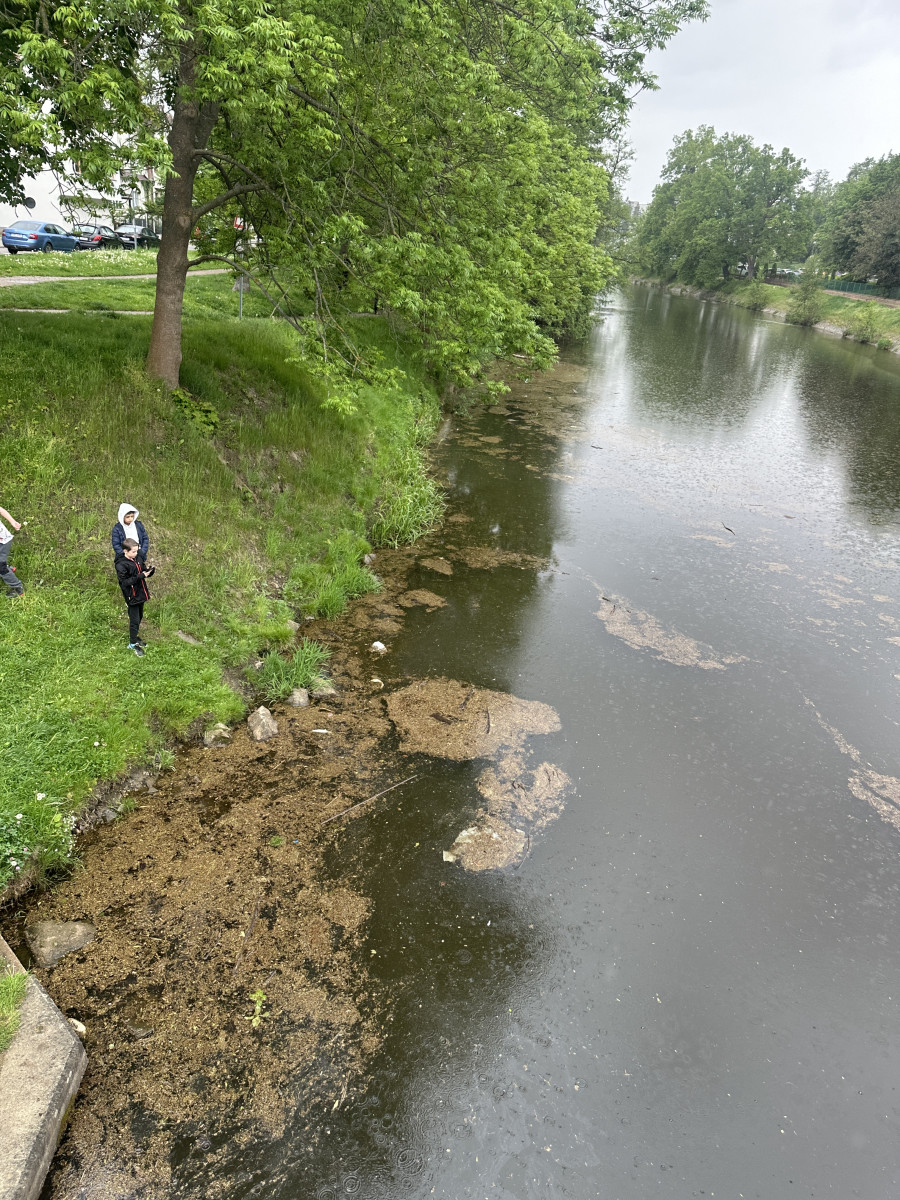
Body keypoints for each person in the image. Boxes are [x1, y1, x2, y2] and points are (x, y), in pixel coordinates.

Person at [115, 539, 150, 656]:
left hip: (141, 592)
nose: (137, 553)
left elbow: (142, 568)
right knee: (134, 620)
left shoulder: (138, 558)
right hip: (132, 595)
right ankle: (132, 644)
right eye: (134, 552)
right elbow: (125, 582)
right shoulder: (121, 564)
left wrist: (148, 572)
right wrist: (141, 576)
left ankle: (134, 636)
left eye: (137, 550)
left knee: (140, 616)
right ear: (126, 551)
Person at [0, 504, 25, 597]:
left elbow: (1, 510)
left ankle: (18, 588)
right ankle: (8, 568)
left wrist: (13, 522)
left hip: (3, 541)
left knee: (0, 566)